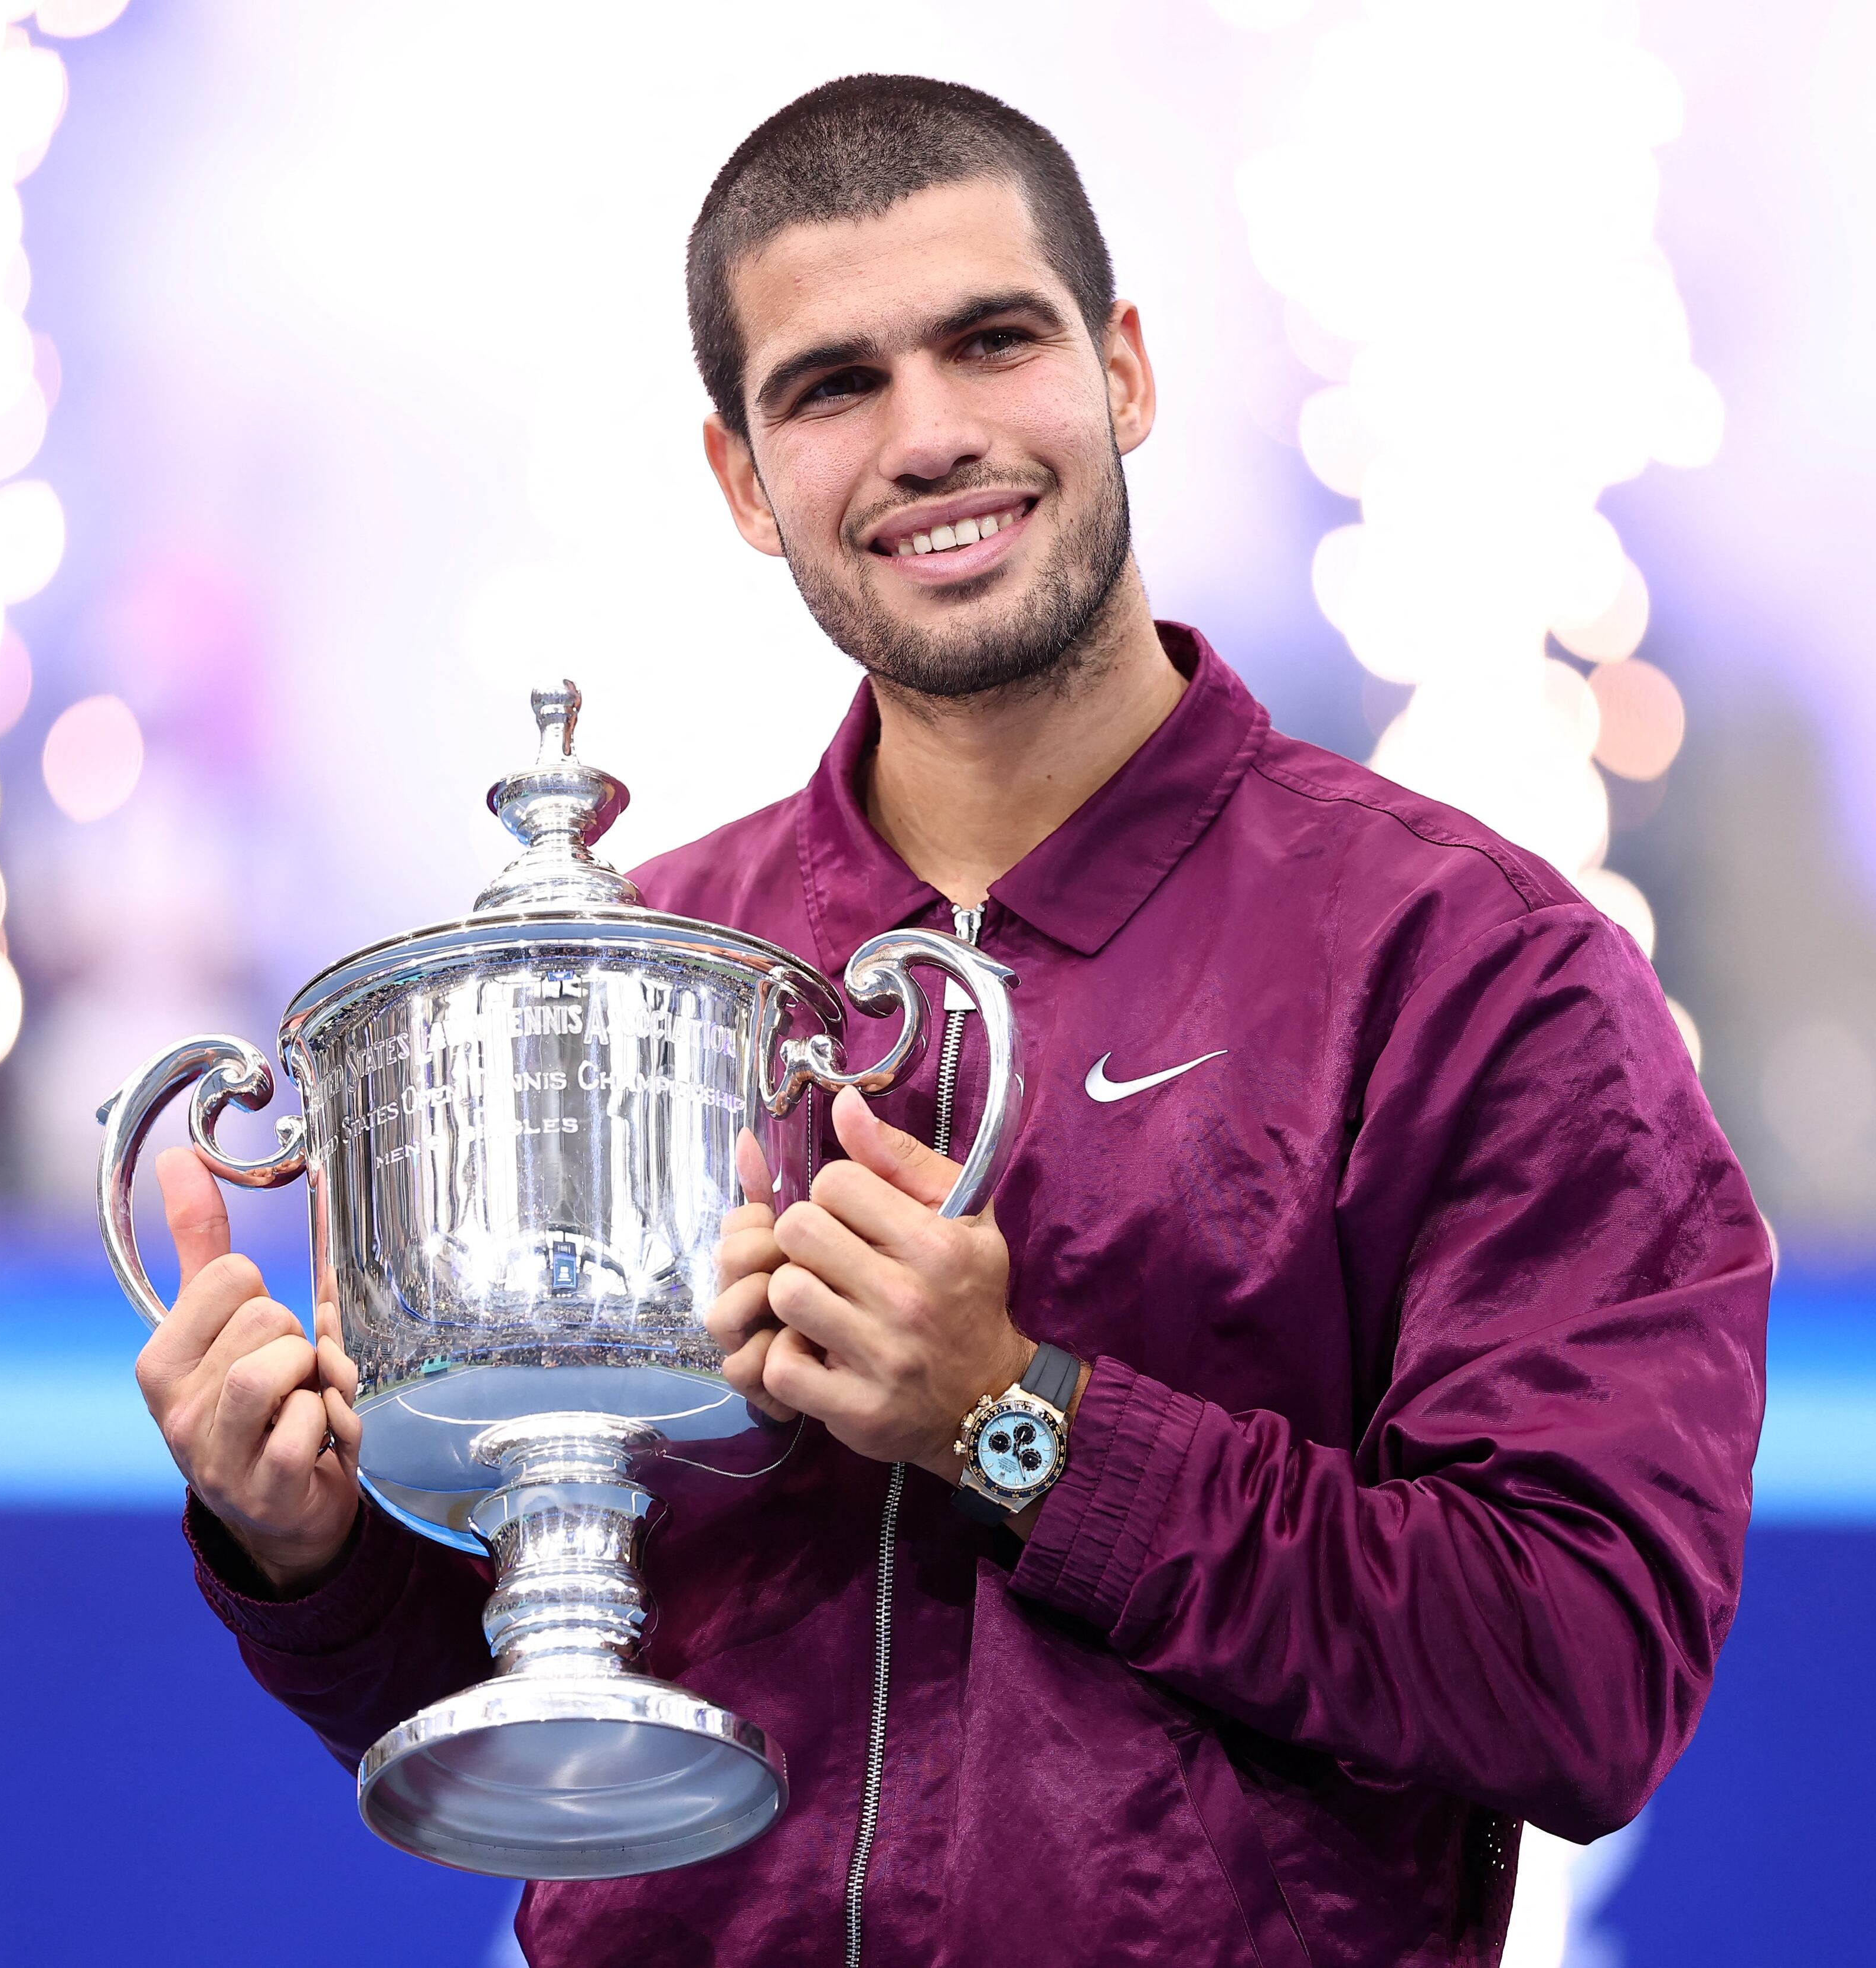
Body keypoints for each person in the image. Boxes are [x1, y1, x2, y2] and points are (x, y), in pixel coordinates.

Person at [133, 73, 1769, 1966]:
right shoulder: (649, 969)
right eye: (833, 387)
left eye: (993, 343)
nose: (931, 438)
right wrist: (306, 1545)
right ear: (746, 481)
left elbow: (1579, 1672)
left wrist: (1017, 1422)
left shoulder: (1473, 969)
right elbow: (578, 1738)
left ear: (1125, 372)